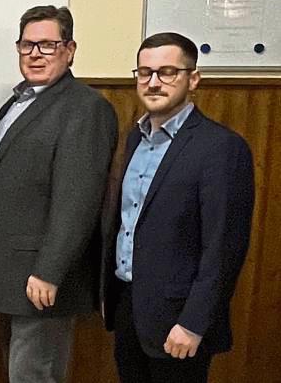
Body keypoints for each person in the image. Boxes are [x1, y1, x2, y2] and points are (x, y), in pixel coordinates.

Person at [0, 6, 118, 383]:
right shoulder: (18, 101)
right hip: (8, 274)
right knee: (22, 372)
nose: (35, 54)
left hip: (42, 277)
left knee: (34, 375)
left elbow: (78, 200)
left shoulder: (86, 108)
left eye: (47, 45)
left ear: (69, 50)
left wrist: (49, 270)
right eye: (27, 45)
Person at [101, 32, 254, 383]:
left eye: (167, 72)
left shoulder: (220, 148)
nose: (153, 82)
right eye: (144, 72)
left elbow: (224, 249)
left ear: (193, 79)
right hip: (129, 306)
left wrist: (193, 323)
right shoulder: (134, 138)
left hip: (179, 321)